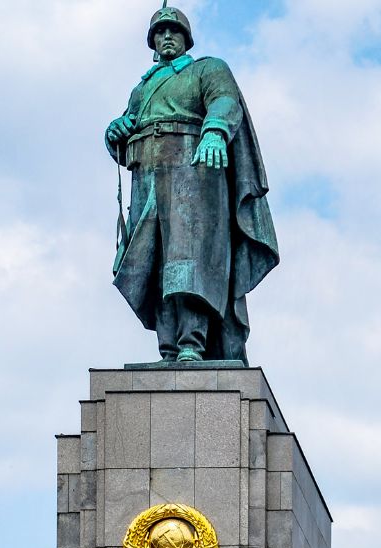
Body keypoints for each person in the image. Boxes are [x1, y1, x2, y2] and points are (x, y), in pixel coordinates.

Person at [106, 6, 279, 365]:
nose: (167, 36)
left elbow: (225, 100)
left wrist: (215, 132)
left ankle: (191, 345)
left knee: (187, 262)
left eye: (174, 31)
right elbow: (129, 124)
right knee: (152, 263)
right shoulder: (143, 87)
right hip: (147, 176)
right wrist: (116, 131)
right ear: (153, 41)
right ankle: (168, 349)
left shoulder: (207, 68)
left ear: (186, 38)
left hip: (193, 171)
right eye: (160, 32)